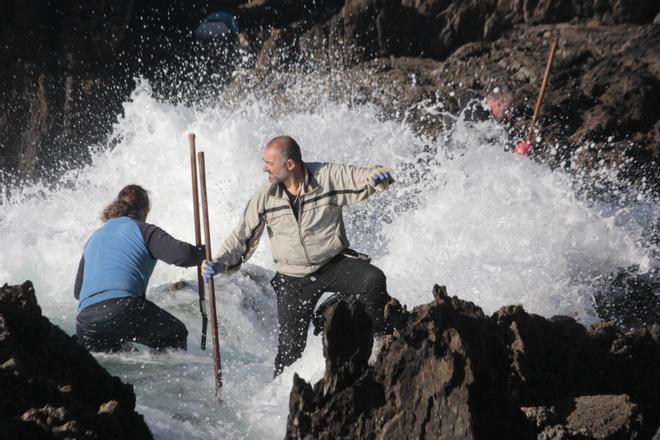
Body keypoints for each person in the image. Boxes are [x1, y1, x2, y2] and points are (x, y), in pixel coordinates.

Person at [203, 136, 400, 376]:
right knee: (289, 353)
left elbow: (364, 177)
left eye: (269, 162)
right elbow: (242, 237)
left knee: (373, 280)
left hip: (332, 265)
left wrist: (378, 176)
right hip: (292, 278)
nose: (263, 167)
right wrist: (220, 262)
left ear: (290, 165)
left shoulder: (326, 177)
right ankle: (279, 396)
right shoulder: (265, 196)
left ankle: (379, 342)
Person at [74, 184, 205, 352]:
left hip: (85, 321)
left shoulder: (93, 238)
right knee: (175, 333)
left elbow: (79, 291)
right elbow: (183, 256)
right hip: (123, 308)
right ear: (144, 210)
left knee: (123, 357)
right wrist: (202, 252)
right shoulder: (143, 230)